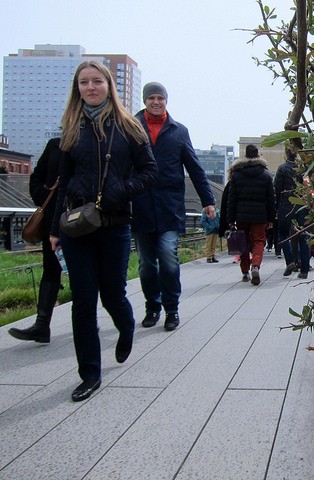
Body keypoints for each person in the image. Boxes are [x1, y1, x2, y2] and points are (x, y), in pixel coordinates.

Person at [49, 60, 158, 402]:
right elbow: (63, 183)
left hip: (114, 225)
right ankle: (90, 374)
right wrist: (54, 228)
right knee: (82, 300)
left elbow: (150, 171)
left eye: (97, 81)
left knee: (112, 294)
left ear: (109, 86)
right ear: (77, 88)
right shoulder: (70, 128)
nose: (91, 87)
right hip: (77, 226)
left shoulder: (129, 128)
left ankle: (126, 327)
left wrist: (121, 191)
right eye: (84, 83)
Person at [132, 82, 216, 331]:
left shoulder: (179, 131)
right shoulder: (132, 127)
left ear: (166, 101)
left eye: (160, 98)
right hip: (140, 205)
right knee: (146, 263)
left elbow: (195, 168)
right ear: (145, 101)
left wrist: (208, 200)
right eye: (151, 98)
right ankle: (152, 307)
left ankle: (172, 309)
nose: (156, 102)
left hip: (169, 206)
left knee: (168, 257)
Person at [8, 137, 63, 343]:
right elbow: (36, 177)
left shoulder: (93, 142)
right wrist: (42, 197)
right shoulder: (55, 144)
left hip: (81, 219)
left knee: (83, 271)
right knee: (50, 269)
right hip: (52, 219)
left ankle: (87, 320)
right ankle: (42, 325)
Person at [227, 144, 275, 285]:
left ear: (245, 155)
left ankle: (245, 272)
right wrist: (271, 218)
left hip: (241, 215)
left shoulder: (236, 174)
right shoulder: (266, 175)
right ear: (257, 155)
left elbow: (232, 199)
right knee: (259, 241)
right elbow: (271, 199)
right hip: (260, 215)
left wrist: (230, 220)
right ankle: (255, 265)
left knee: (244, 243)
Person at [274, 149, 311, 279]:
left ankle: (290, 261)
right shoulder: (304, 169)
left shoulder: (282, 168)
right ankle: (304, 270)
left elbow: (277, 188)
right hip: (302, 202)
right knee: (304, 234)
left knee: (283, 233)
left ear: (286, 153)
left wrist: (277, 208)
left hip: (286, 202)